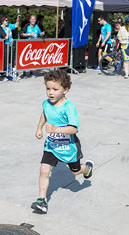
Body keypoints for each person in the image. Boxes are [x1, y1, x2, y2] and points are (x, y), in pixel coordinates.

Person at [32, 70, 94, 213]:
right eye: (48, 89)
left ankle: (88, 168)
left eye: (55, 89)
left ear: (65, 90)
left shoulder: (69, 107)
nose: (50, 93)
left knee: (75, 172)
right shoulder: (46, 104)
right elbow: (44, 114)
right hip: (52, 146)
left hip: (69, 147)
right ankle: (42, 200)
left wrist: (55, 129)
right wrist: (39, 128)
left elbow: (73, 129)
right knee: (44, 170)